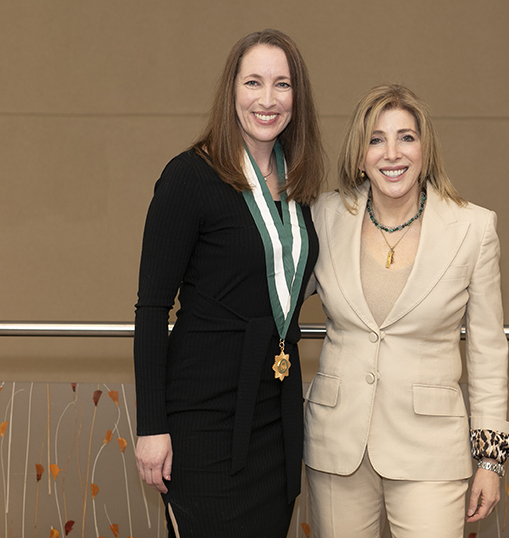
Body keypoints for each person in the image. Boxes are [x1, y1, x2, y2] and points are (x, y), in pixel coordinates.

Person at [303, 84, 509, 538]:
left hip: (430, 451)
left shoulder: (473, 228)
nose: (392, 153)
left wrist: (490, 461)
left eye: (406, 137)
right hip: (337, 445)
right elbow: (276, 297)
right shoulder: (324, 216)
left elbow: (488, 351)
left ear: (425, 151)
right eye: (376, 139)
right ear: (359, 155)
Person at [133, 29, 324, 537]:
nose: (267, 99)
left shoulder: (300, 183)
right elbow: (151, 309)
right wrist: (151, 426)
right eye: (253, 82)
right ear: (231, 90)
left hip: (275, 414)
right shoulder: (189, 176)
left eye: (282, 84)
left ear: (296, 96)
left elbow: (290, 277)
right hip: (203, 415)